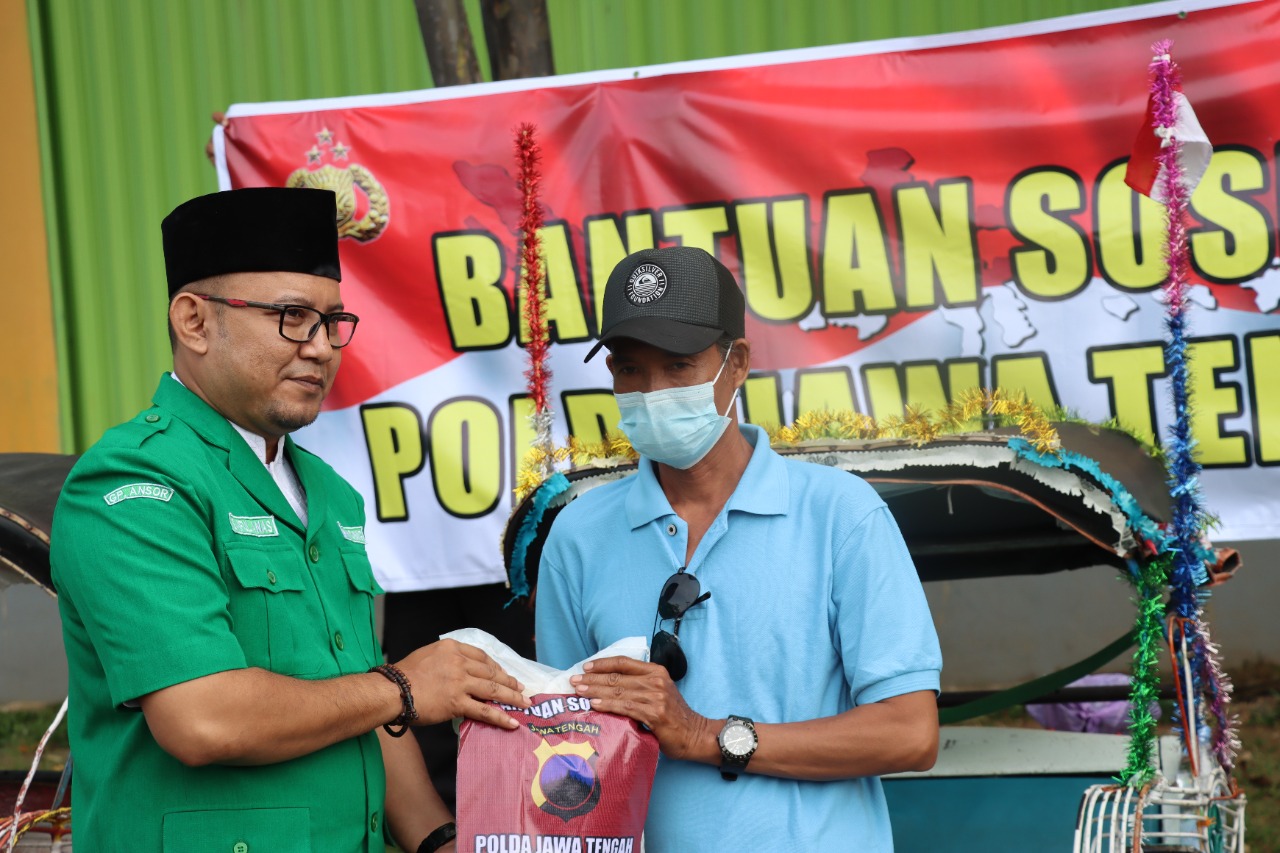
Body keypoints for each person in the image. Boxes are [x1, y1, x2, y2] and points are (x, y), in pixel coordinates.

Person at [50, 187, 528, 853]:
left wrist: (437, 838)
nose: (321, 347)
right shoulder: (138, 482)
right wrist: (402, 687)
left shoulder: (328, 492)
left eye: (333, 322)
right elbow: (204, 718)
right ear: (193, 321)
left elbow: (359, 695)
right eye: (291, 316)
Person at [535, 246, 943, 851]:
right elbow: (565, 743)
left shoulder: (841, 516)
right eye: (629, 370)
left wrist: (702, 733)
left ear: (738, 363)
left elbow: (909, 734)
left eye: (678, 366)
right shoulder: (579, 535)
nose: (651, 392)